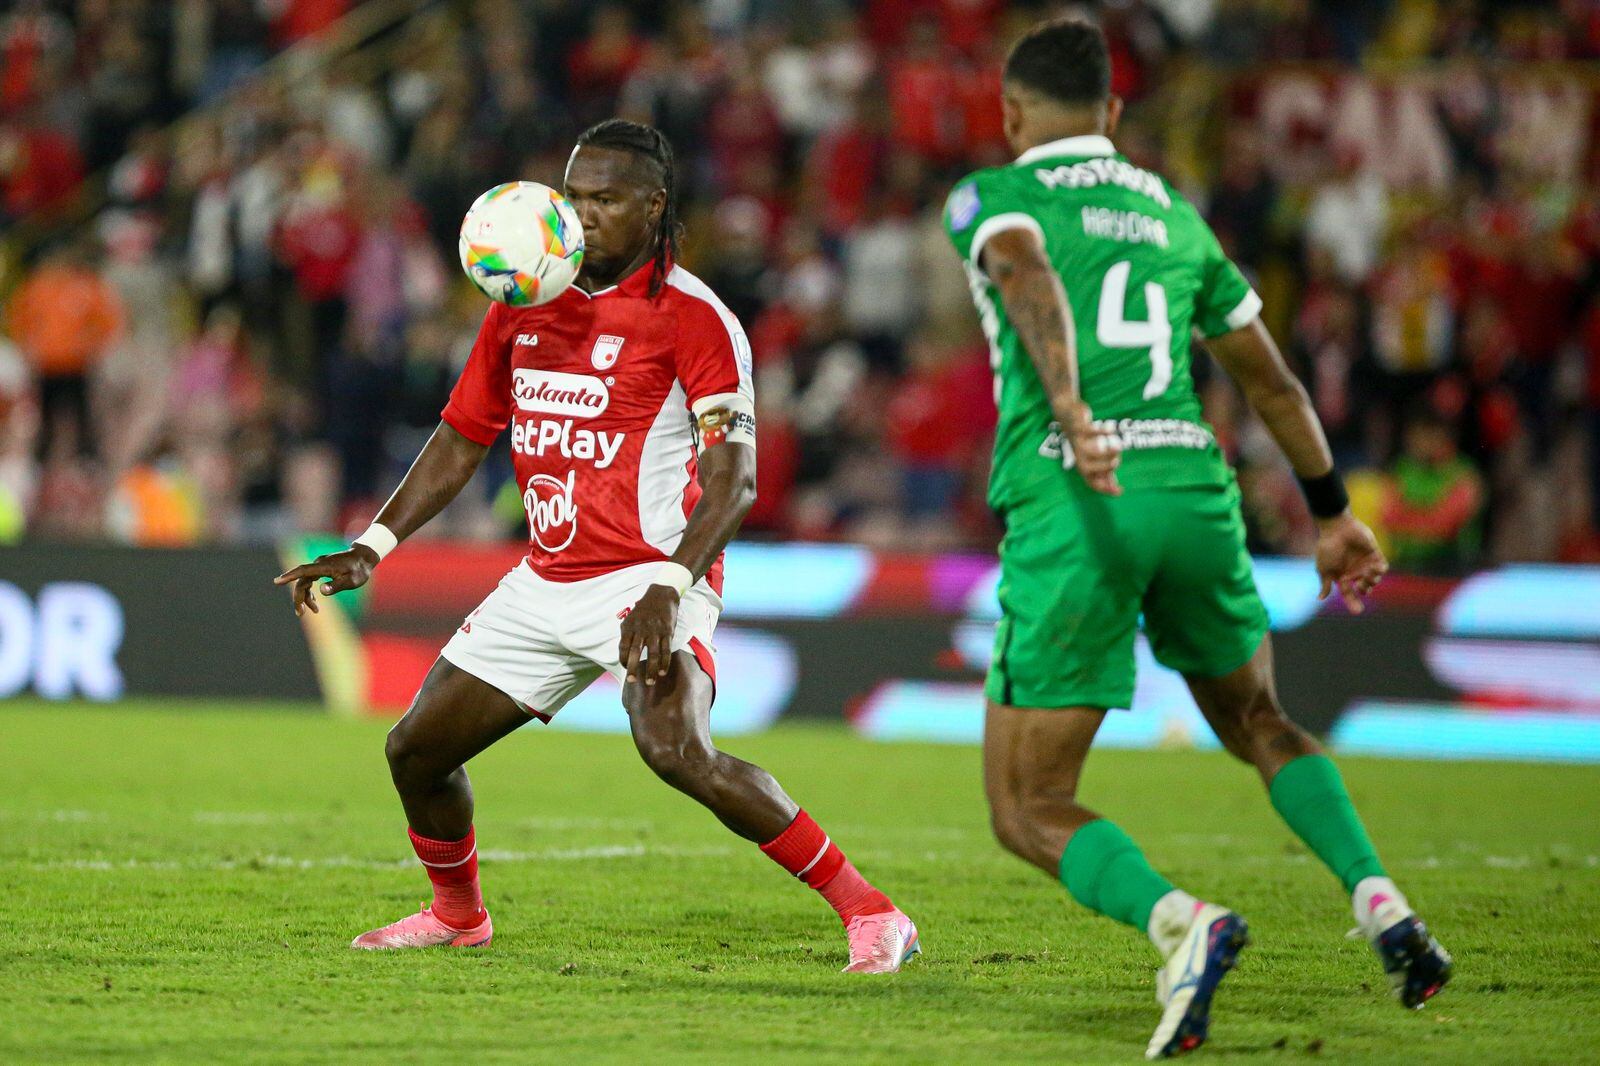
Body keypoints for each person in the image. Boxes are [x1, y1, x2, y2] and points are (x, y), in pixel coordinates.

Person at [274, 120, 918, 972]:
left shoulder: (696, 318)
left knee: (676, 751)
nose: (583, 215)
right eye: (575, 196)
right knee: (416, 751)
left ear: (654, 207)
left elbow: (735, 483)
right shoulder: (523, 303)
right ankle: (458, 916)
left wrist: (670, 588)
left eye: (606, 199)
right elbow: (462, 437)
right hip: (546, 578)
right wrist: (374, 544)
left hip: (651, 575)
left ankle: (872, 911)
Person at [943, 20, 1450, 1059]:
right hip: (1193, 488)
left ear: (1010, 113)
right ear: (1113, 113)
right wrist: (1332, 512)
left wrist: (1072, 408)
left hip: (1081, 497)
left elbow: (1025, 268)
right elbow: (1271, 378)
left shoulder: (992, 196)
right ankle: (1383, 903)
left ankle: (1181, 924)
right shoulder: (1172, 213)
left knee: (1026, 803)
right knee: (1261, 719)